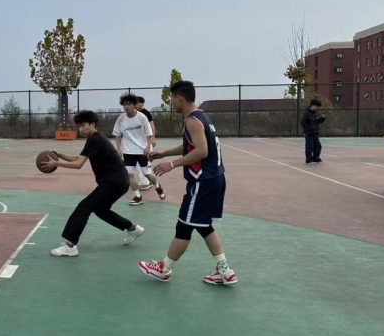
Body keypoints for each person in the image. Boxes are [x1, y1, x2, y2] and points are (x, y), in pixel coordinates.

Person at [137, 80, 237, 285]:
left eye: (172, 99)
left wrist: (171, 164)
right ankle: (225, 271)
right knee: (203, 226)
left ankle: (164, 268)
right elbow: (190, 146)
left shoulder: (192, 121)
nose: (171, 103)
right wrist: (164, 153)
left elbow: (202, 151)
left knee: (183, 226)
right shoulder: (201, 117)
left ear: (179, 98)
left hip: (203, 183)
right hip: (214, 179)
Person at [41, 110, 145, 257]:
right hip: (119, 181)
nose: (81, 129)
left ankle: (70, 245)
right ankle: (132, 229)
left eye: (83, 125)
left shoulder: (95, 140)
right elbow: (79, 158)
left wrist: (56, 163)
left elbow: (78, 164)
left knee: (84, 207)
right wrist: (60, 155)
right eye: (79, 126)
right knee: (100, 210)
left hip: (114, 181)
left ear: (93, 124)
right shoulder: (95, 139)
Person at [113, 93, 166, 206]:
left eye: (129, 104)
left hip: (142, 151)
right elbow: (117, 134)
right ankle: (138, 197)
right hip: (128, 151)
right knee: (130, 174)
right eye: (124, 104)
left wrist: (148, 147)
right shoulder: (121, 119)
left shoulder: (142, 117)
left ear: (134, 105)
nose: (126, 106)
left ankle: (157, 186)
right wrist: (119, 149)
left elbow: (149, 134)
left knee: (147, 174)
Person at [301, 99, 326, 164]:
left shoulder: (316, 113)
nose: (317, 109)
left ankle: (316, 158)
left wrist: (322, 118)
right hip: (308, 132)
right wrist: (309, 128)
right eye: (317, 107)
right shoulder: (306, 113)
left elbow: (317, 121)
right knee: (309, 146)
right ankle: (309, 159)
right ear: (313, 105)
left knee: (318, 146)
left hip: (315, 132)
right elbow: (303, 122)